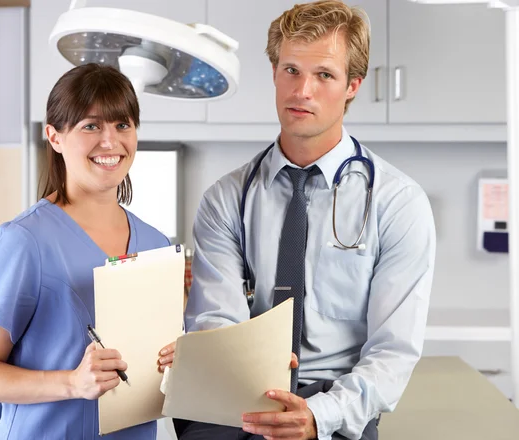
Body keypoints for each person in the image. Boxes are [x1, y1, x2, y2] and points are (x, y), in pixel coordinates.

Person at [162, 1, 437, 439]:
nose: (302, 90)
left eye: (324, 75)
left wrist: (319, 415)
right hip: (238, 401)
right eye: (291, 70)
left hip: (336, 405)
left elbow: (392, 353)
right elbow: (216, 320)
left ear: (353, 85)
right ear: (274, 73)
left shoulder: (398, 204)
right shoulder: (226, 199)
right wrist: (232, 365)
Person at [0, 63, 172, 439]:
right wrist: (73, 383)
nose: (110, 142)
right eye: (91, 126)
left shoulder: (157, 244)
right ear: (55, 137)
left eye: (122, 125)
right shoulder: (24, 241)